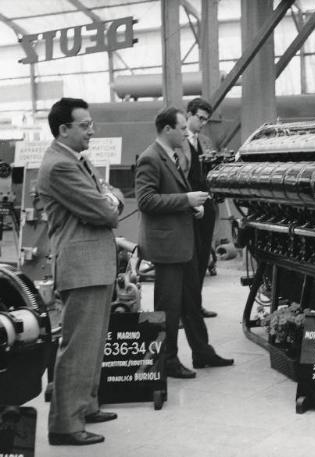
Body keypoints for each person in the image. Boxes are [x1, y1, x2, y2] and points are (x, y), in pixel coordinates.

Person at [37, 97, 123, 446]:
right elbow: (106, 211)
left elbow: (107, 197)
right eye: (84, 125)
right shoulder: (60, 166)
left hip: (94, 265)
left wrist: (107, 197)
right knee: (77, 347)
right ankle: (64, 425)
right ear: (64, 129)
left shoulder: (74, 160)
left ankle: (85, 405)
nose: (91, 130)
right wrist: (109, 200)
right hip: (81, 266)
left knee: (92, 344)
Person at [135, 107, 233, 379]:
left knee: (191, 300)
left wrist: (192, 208)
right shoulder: (150, 158)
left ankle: (202, 352)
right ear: (167, 130)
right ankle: (167, 361)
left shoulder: (173, 156)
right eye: (180, 128)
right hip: (167, 247)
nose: (185, 132)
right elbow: (146, 201)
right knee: (168, 307)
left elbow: (172, 193)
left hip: (183, 242)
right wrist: (186, 201)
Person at [182, 97, 218, 318]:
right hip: (188, 206)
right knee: (189, 258)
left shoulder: (205, 141)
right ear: (189, 114)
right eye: (200, 118)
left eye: (206, 120)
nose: (203, 123)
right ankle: (184, 308)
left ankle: (196, 304)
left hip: (207, 204)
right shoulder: (177, 140)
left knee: (203, 256)